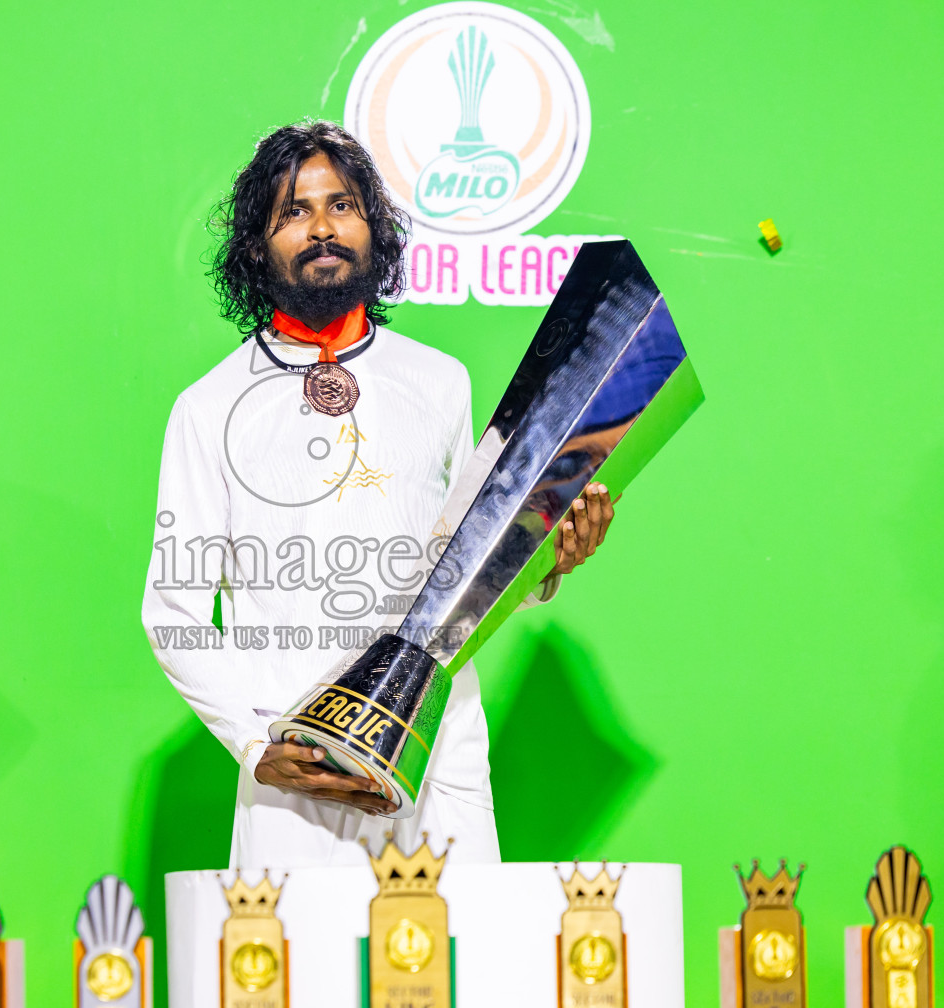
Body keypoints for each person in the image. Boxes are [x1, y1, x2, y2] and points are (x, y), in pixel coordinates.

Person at [141, 121, 615, 869]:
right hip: (297, 761)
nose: (323, 227)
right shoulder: (209, 406)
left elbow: (464, 568)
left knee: (456, 978)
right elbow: (174, 610)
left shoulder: (439, 381)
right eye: (293, 212)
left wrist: (548, 558)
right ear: (256, 246)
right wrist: (256, 744)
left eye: (343, 205)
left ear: (375, 227)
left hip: (436, 759)